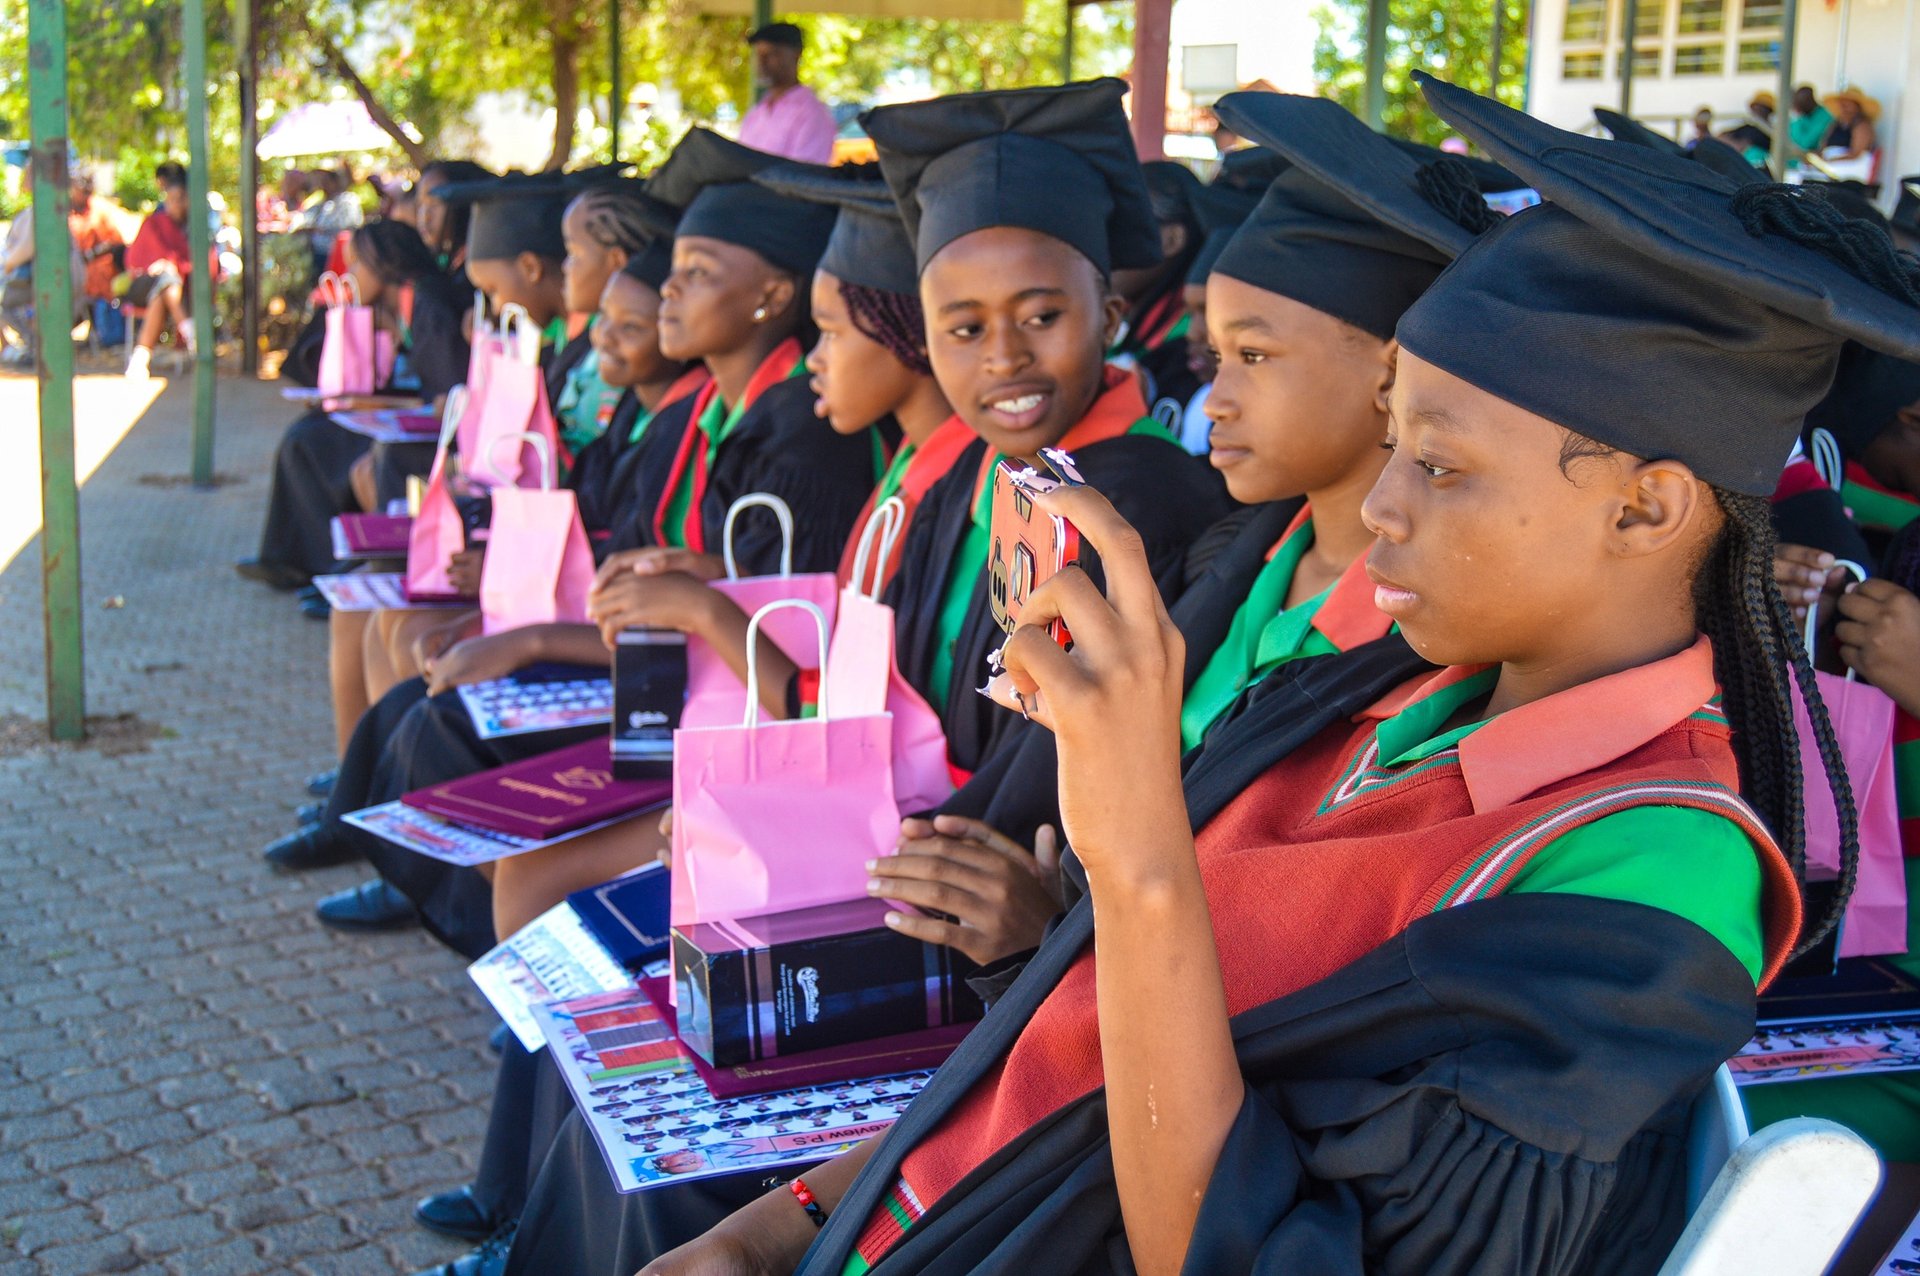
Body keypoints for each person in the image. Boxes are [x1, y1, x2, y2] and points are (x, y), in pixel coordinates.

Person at [635, 71, 1892, 1276]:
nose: (1380, 506)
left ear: (1646, 507)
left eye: (1440, 467)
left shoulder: (1647, 883)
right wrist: (792, 1219)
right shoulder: (1367, 701)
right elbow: (1060, 1049)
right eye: (1392, 442)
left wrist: (1137, 853)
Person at [124, 161, 206, 379]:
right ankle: (193, 336)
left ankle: (140, 357)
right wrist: (160, 264)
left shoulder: (195, 227)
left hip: (178, 287)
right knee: (167, 281)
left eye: (180, 199)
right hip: (144, 283)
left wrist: (174, 266)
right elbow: (136, 258)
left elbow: (201, 261)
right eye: (171, 199)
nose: (175, 205)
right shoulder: (154, 222)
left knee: (164, 290)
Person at [737, 22, 837, 164]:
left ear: (796, 55)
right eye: (758, 54)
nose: (761, 62)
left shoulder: (811, 114)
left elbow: (804, 174)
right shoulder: (757, 113)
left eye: (771, 54)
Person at [1822, 86, 1880, 180]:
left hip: (1850, 167)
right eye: (1842, 103)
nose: (1843, 107)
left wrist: (1831, 161)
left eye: (1847, 103)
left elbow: (1856, 154)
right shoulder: (1835, 124)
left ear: (1857, 107)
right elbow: (1824, 145)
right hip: (1830, 163)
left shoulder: (1862, 125)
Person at [1790, 85, 1835, 159]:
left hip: (1814, 159)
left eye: (1801, 102)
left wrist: (1796, 116)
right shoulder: (1803, 116)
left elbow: (1806, 144)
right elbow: (1790, 139)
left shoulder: (1825, 116)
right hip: (1796, 159)